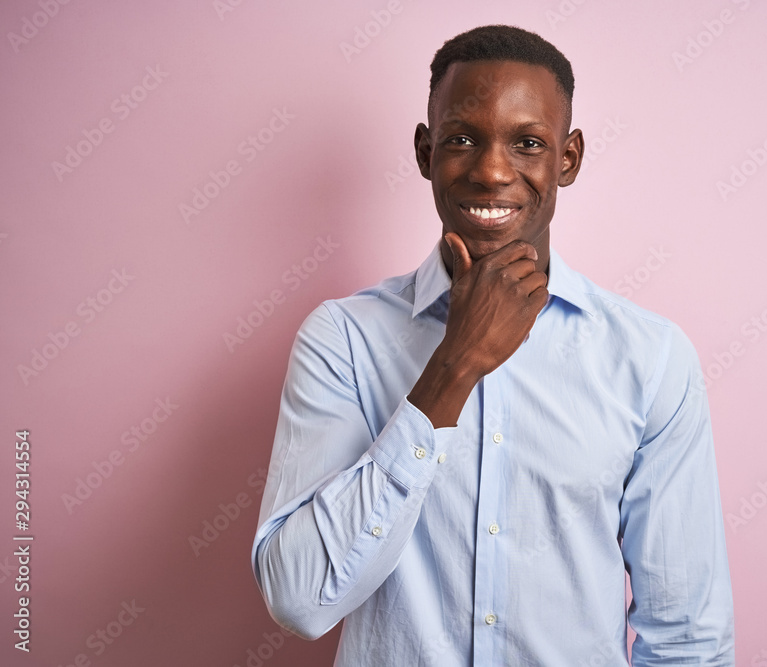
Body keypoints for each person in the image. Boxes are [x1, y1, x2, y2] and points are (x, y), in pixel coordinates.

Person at [252, 24, 735, 666]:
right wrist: (454, 367)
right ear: (425, 152)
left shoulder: (650, 359)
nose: (491, 172)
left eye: (528, 143)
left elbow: (686, 635)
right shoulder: (342, 340)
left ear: (568, 158)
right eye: (462, 139)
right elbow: (299, 598)